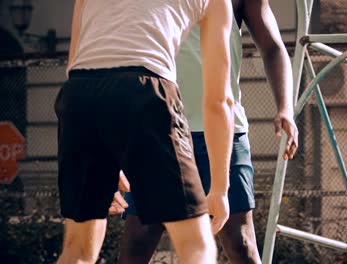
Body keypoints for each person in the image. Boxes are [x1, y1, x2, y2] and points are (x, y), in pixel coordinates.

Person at [111, 0, 299, 263]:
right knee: (138, 239)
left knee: (240, 242)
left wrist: (285, 108)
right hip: (155, 129)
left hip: (222, 132)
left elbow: (273, 48)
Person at [55, 0, 235, 263]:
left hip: (79, 95)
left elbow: (75, 63)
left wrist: (108, 148)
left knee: (77, 250)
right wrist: (220, 188)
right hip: (146, 88)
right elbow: (219, 101)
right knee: (196, 245)